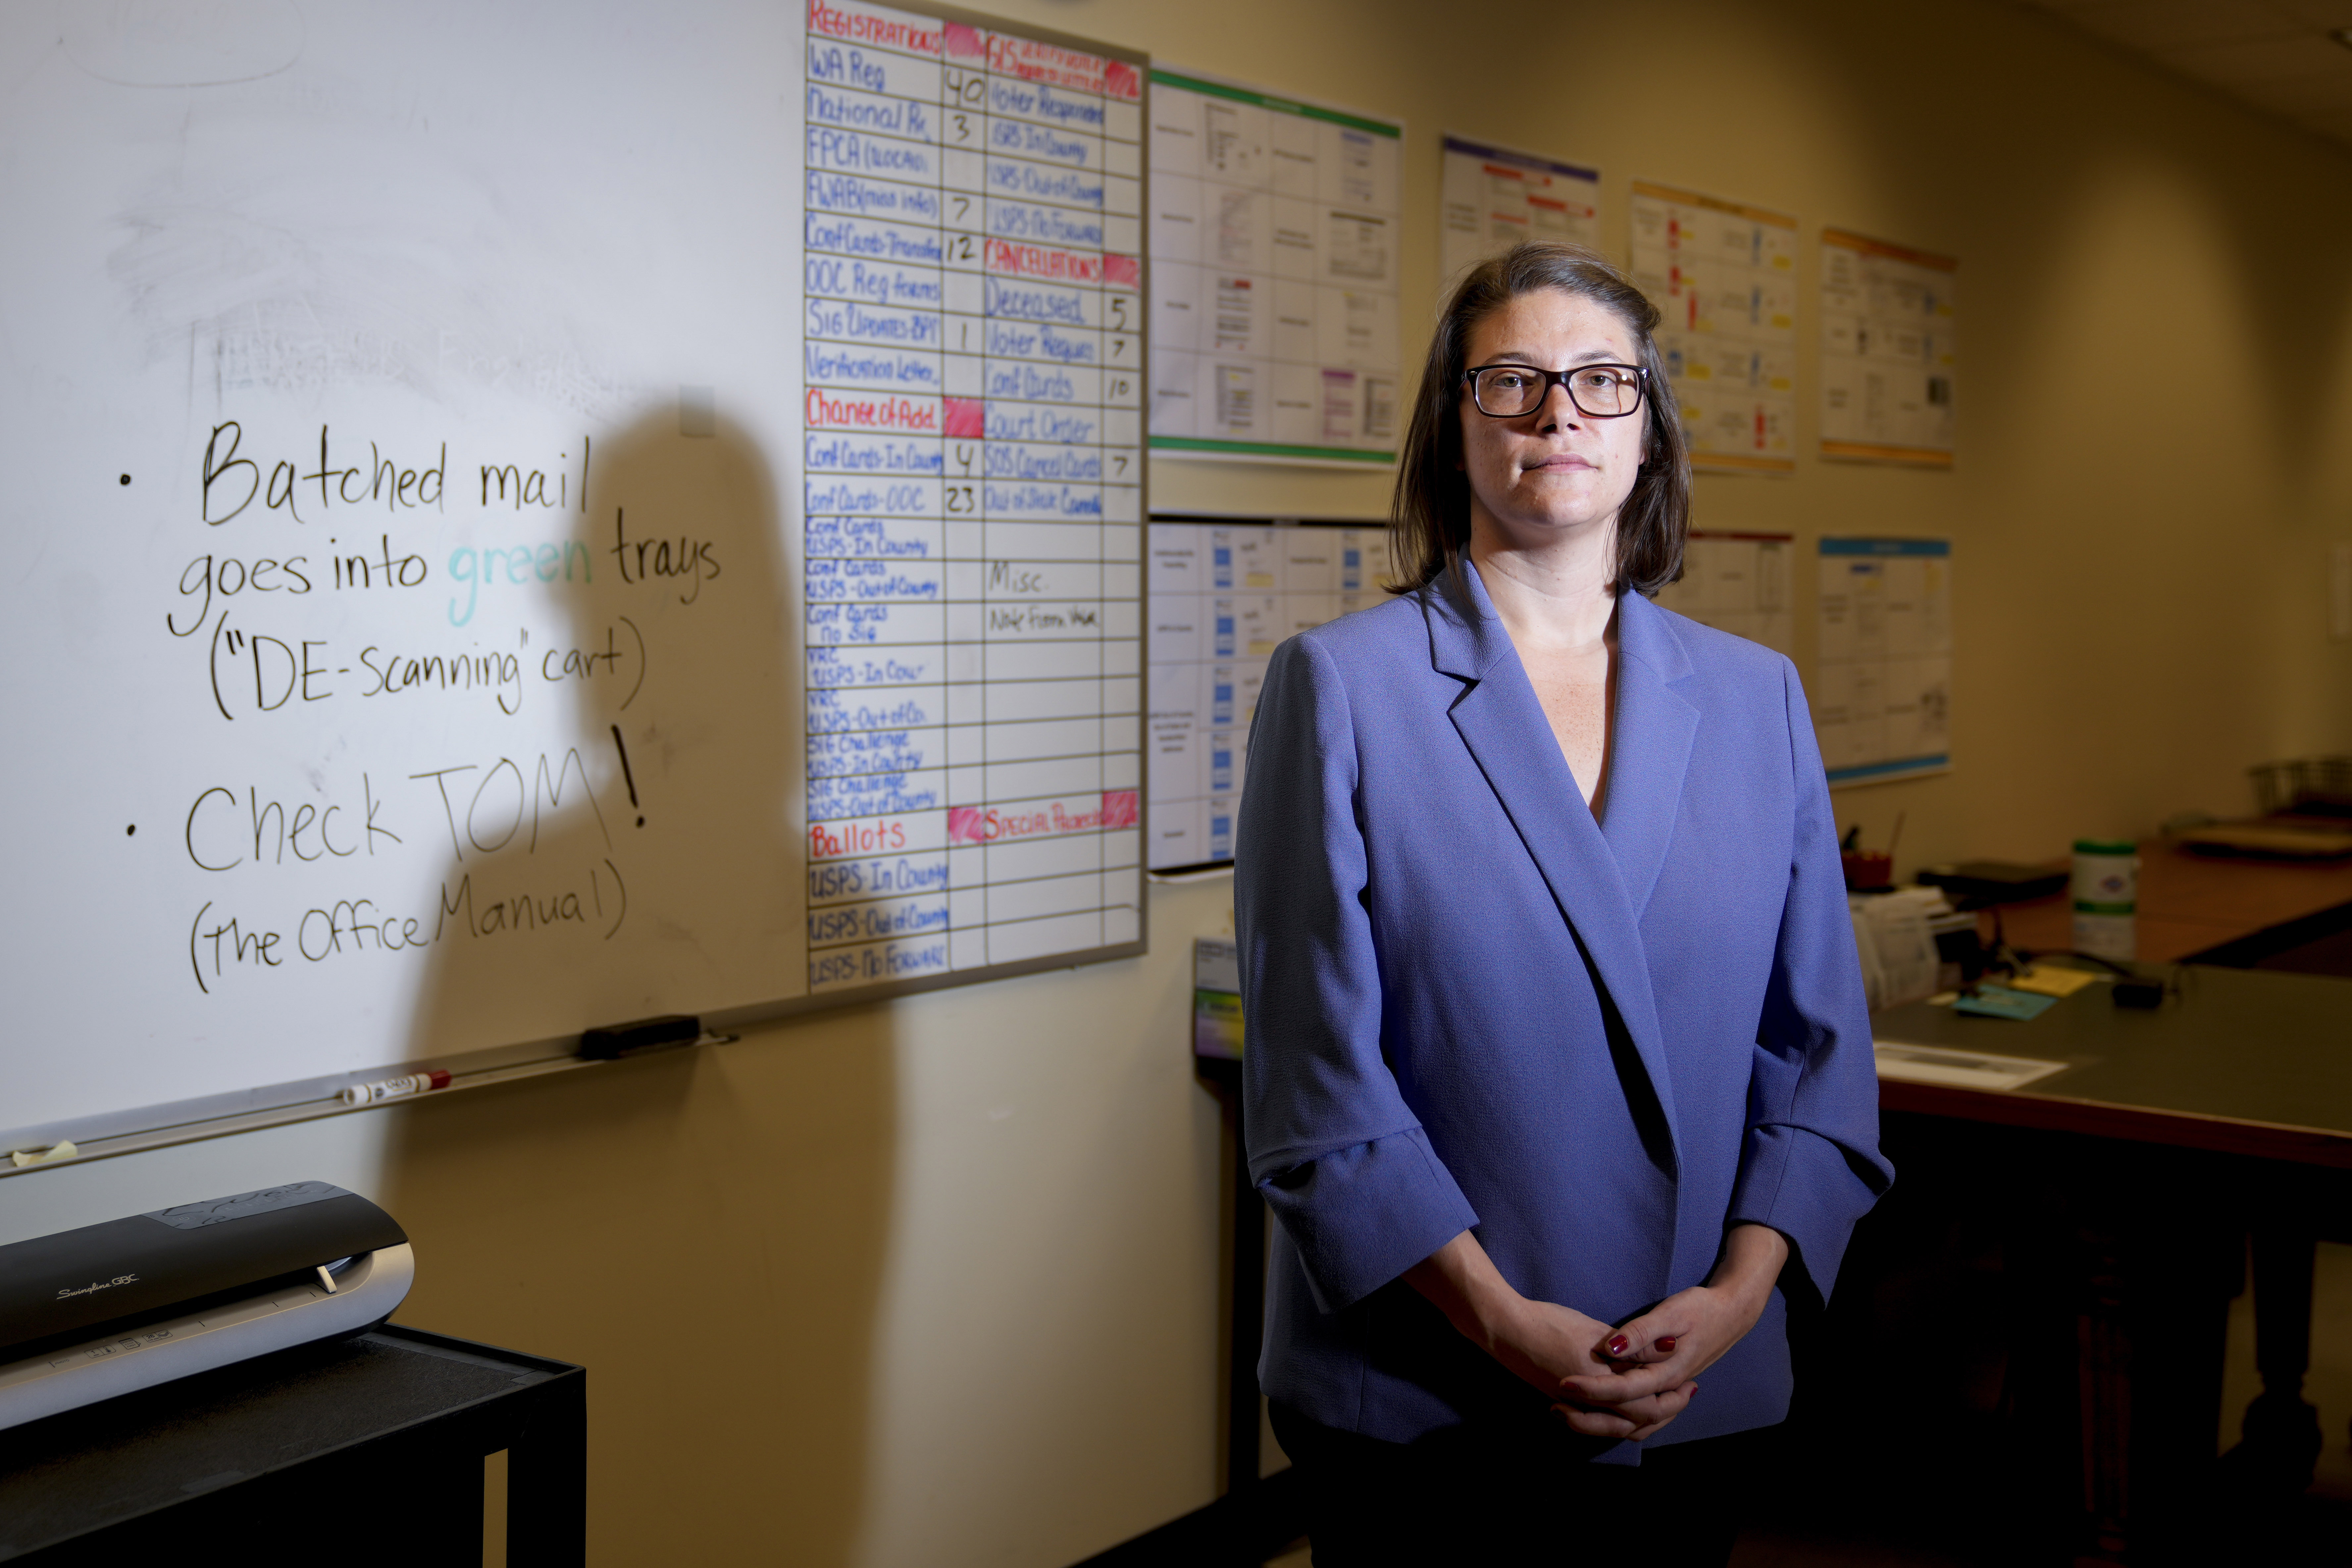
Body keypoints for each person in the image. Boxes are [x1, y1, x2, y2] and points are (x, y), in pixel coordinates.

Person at [1234, 242, 1893, 1565]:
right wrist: (1501, 1322)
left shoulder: (1756, 696)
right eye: (1514, 381)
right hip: (1431, 1391)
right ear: (1453, 423)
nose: (1558, 415)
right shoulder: (1343, 687)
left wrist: (1735, 1294)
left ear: (1648, 430)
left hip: (1694, 1376)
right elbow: (1317, 1083)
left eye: (1603, 381)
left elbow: (1820, 1051)